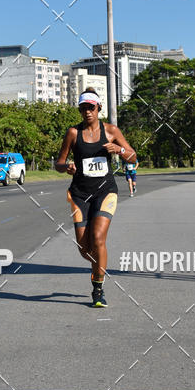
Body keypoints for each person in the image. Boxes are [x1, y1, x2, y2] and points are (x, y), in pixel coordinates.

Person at [55, 88, 136, 308]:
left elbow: (133, 156)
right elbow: (59, 162)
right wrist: (66, 167)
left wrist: (118, 150)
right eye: (83, 108)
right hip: (80, 194)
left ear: (99, 108)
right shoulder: (73, 133)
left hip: (105, 191)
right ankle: (98, 264)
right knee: (85, 249)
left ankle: (98, 289)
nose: (87, 112)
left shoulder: (111, 131)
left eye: (91, 107)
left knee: (99, 238)